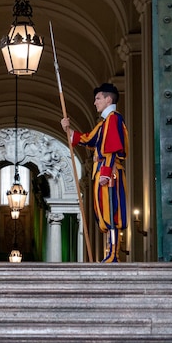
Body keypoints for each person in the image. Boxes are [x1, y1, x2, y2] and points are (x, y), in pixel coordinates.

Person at [61, 83, 129, 263]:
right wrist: (68, 130)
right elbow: (88, 139)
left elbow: (112, 149)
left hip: (110, 172)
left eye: (98, 98)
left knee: (112, 215)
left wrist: (106, 172)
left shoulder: (114, 119)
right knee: (105, 216)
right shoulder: (104, 122)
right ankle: (110, 252)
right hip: (103, 171)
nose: (94, 102)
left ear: (108, 99)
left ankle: (114, 254)